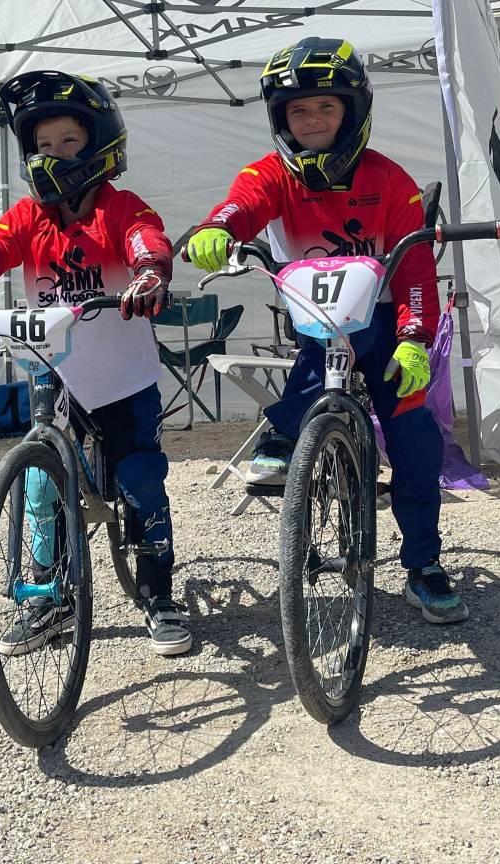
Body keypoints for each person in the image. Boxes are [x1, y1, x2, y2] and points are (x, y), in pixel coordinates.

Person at [186, 37, 467, 625]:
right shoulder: (268, 174)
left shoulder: (391, 181)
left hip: (387, 323)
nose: (311, 119)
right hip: (319, 323)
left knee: (414, 438)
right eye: (298, 110)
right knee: (326, 354)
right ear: (280, 118)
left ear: (352, 111)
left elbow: (415, 271)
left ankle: (423, 565)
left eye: (325, 106)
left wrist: (415, 339)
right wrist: (218, 228)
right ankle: (290, 434)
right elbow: (241, 206)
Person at [0, 69, 192, 655]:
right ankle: (47, 597)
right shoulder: (27, 217)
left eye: (68, 141)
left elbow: (146, 238)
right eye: (42, 144)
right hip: (53, 368)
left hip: (122, 377)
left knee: (141, 480)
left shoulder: (121, 208)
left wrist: (149, 273)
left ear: (100, 143)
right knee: (40, 482)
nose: (53, 155)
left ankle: (159, 595)